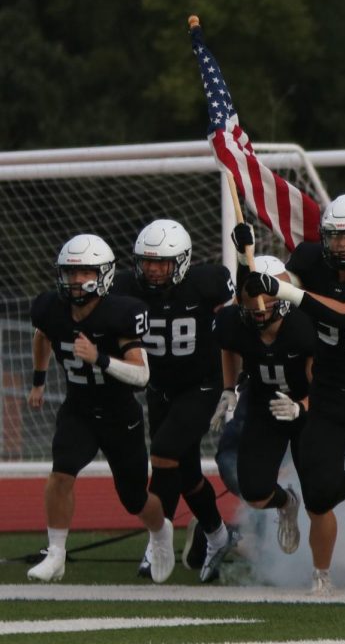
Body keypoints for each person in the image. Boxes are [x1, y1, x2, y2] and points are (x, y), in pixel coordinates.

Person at [244, 193, 345, 607]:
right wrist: (259, 280)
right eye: (334, 237)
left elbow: (343, 313)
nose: (340, 245)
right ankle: (325, 564)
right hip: (327, 397)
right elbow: (276, 289)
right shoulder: (308, 259)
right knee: (318, 495)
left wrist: (286, 290)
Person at [26, 235, 175, 583]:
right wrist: (38, 379)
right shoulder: (50, 308)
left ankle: (161, 531)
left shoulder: (121, 313)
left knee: (134, 499)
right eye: (70, 272)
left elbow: (141, 374)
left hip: (118, 414)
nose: (76, 280)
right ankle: (57, 554)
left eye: (84, 272)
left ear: (104, 274)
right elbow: (41, 334)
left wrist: (100, 358)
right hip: (78, 409)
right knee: (61, 472)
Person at [111, 219, 237, 583]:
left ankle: (159, 541)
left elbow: (237, 312)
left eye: (161, 262)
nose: (152, 269)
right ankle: (217, 535)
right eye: (147, 261)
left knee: (163, 455)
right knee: (186, 474)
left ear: (181, 261)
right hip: (159, 389)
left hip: (201, 385)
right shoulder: (125, 287)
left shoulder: (206, 284)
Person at [214, 254, 313, 558]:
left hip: (310, 408)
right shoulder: (234, 320)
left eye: (268, 298)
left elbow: (324, 381)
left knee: (322, 490)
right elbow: (228, 347)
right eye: (251, 298)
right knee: (255, 492)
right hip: (265, 406)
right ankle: (286, 504)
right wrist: (229, 389)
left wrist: (302, 406)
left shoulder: (304, 326)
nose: (258, 307)